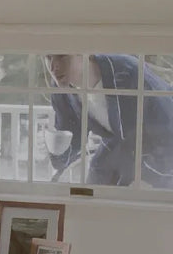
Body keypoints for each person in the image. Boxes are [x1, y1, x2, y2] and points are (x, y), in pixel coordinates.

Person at [44, 54, 173, 187]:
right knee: (92, 188)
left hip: (160, 154)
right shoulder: (62, 90)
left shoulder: (128, 71)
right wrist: (57, 152)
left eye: (62, 56)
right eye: (48, 57)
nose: (53, 67)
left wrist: (147, 177)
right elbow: (70, 138)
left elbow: (169, 123)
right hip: (117, 148)